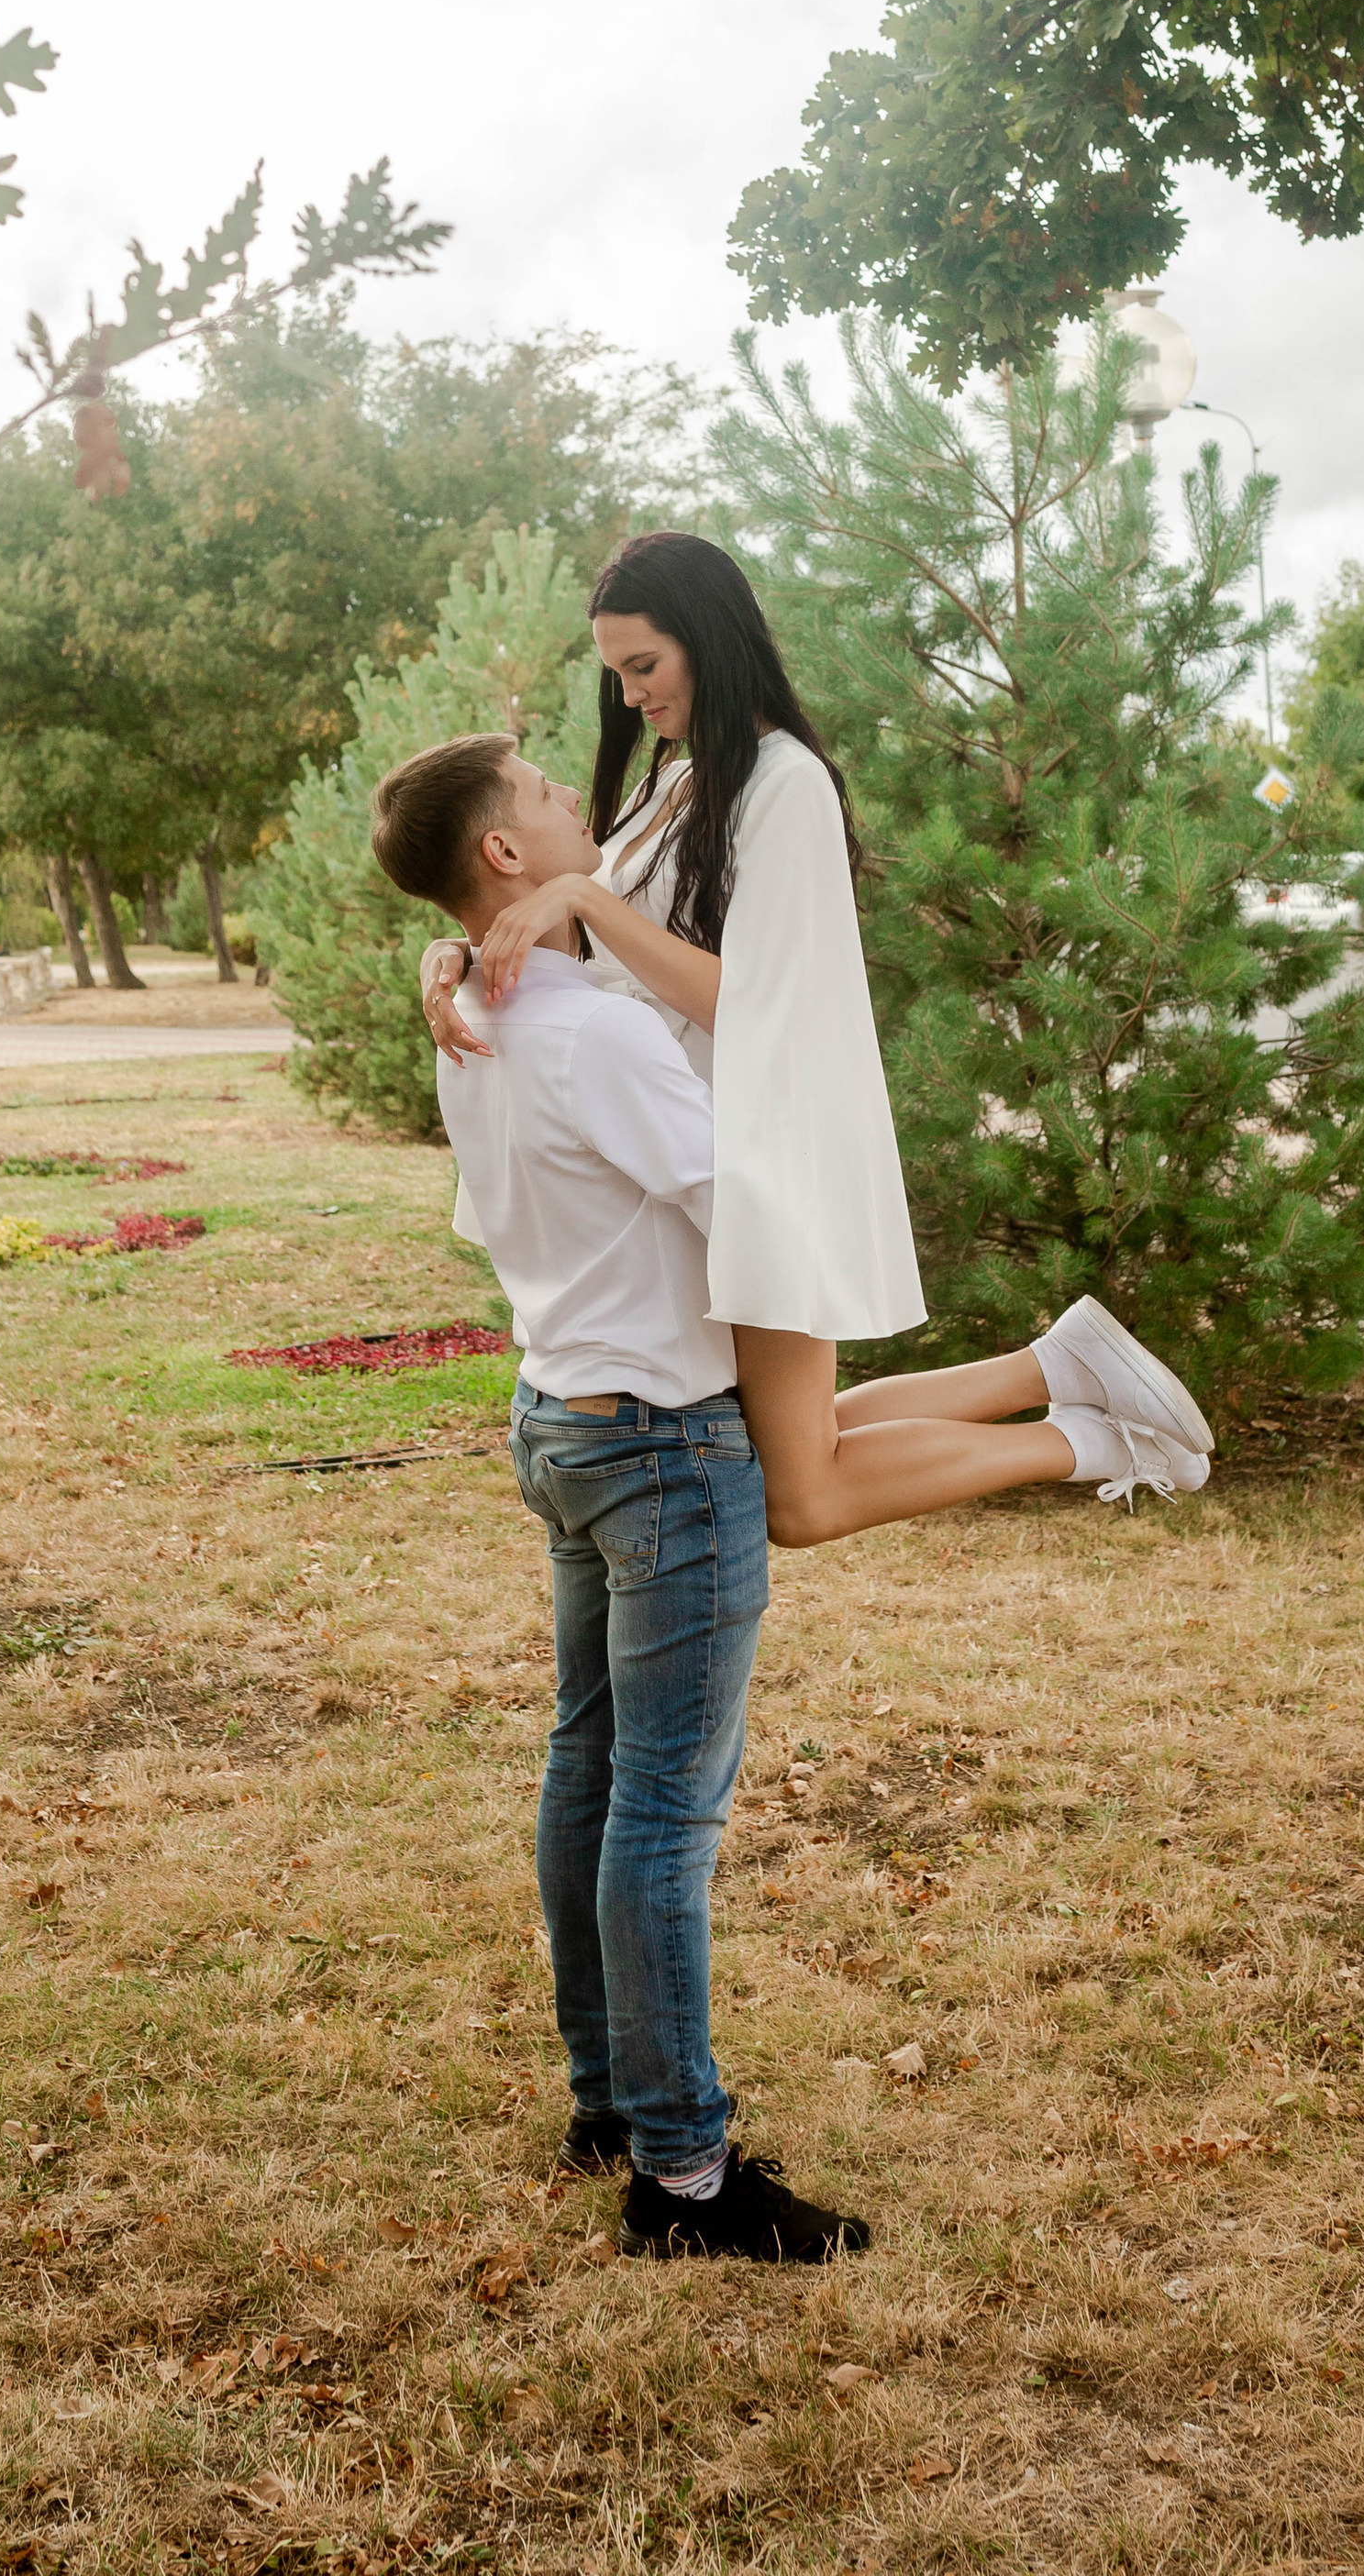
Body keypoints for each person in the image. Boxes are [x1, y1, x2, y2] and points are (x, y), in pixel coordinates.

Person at [420, 531, 1214, 1536]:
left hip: (759, 1159)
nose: (629, 698)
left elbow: (759, 1003)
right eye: (616, 673)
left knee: (798, 1496)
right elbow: (576, 944)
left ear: (707, 640)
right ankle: (1055, 1369)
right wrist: (457, 952)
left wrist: (586, 894)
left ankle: (1094, 1438)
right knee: (785, 1453)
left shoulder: (782, 782)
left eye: (644, 667)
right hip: (693, 1157)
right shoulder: (674, 786)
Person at [371, 728, 871, 2261]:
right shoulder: (580, 1028)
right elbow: (744, 1194)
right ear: (507, 857)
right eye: (537, 792)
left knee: (591, 1769)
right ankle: (686, 2179)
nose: (568, 797)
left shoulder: (483, 1009)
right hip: (659, 1442)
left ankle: (611, 2099)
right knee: (661, 1811)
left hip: (562, 1418)